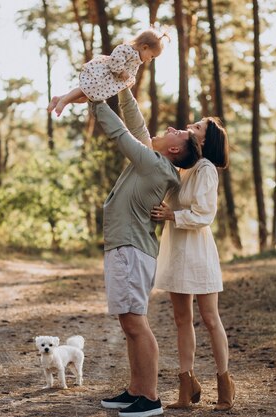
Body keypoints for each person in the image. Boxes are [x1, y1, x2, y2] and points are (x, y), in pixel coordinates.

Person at [90, 89, 201, 417]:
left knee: (135, 323)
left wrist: (97, 99)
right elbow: (136, 127)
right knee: (129, 323)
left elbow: (121, 133)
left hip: (131, 251)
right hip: (126, 248)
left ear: (176, 149)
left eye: (176, 133)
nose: (169, 129)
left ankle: (150, 398)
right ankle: (136, 390)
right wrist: (123, 88)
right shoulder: (154, 160)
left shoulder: (153, 164)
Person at [150, 117, 236, 411]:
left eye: (198, 127)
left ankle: (225, 383)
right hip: (176, 251)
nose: (191, 126)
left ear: (204, 140)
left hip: (198, 252)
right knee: (181, 320)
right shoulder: (184, 170)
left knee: (210, 318)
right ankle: (186, 387)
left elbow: (205, 214)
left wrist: (173, 216)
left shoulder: (206, 170)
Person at [47, 28, 169, 116]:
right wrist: (121, 71)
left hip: (106, 82)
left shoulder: (137, 60)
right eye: (152, 56)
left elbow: (130, 73)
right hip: (102, 75)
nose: (150, 60)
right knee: (84, 89)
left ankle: (59, 99)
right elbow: (115, 58)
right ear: (145, 47)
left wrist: (130, 80)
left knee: (85, 98)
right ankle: (63, 101)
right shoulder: (127, 49)